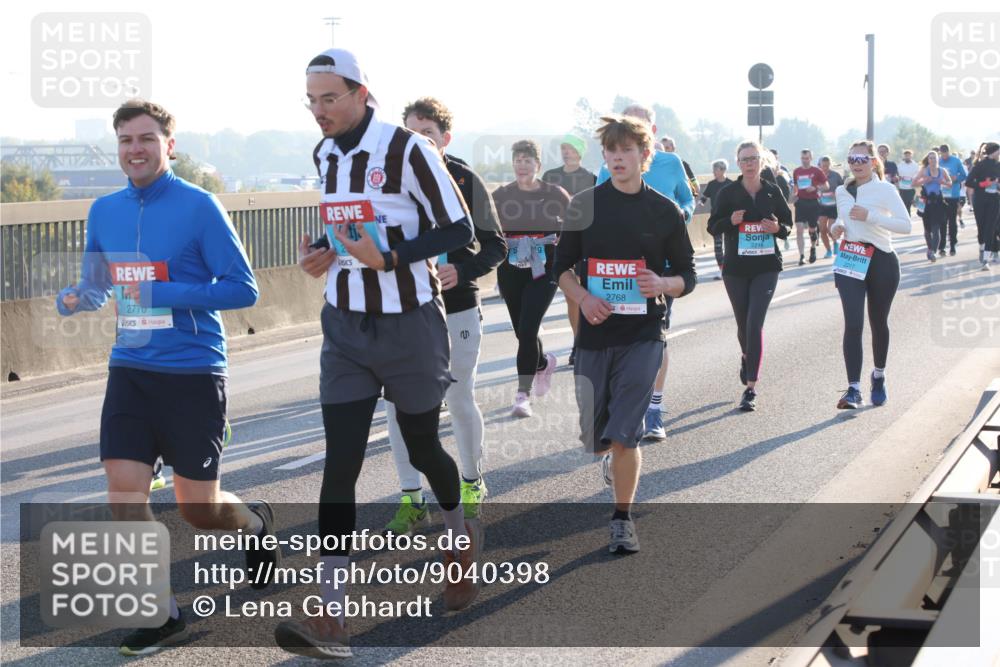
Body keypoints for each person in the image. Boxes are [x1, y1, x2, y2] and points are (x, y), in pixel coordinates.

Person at [276, 48, 481, 659]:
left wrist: (388, 259)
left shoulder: (408, 151)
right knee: (341, 461)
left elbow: (458, 231)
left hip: (410, 324)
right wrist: (319, 251)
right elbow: (345, 228)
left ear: (363, 92)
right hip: (344, 326)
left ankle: (457, 534)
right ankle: (332, 612)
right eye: (311, 100)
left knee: (421, 445)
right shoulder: (324, 153)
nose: (319, 111)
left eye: (329, 98)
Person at [55, 99, 276, 656]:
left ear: (168, 145)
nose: (136, 149)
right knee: (123, 491)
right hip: (130, 368)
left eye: (147, 139)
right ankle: (162, 614)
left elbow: (243, 288)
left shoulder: (199, 206)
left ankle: (252, 524)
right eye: (127, 140)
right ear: (118, 147)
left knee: (198, 511)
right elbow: (101, 283)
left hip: (194, 370)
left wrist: (167, 293)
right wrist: (80, 297)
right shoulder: (103, 210)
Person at [555, 114, 695, 554]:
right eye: (611, 151)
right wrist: (583, 298)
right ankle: (613, 461)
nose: (617, 158)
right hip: (595, 334)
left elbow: (688, 274)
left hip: (645, 331)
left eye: (626, 151)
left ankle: (621, 519)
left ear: (644, 156)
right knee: (597, 440)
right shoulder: (584, 205)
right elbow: (560, 269)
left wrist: (665, 285)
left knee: (625, 433)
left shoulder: (664, 210)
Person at [379, 97, 506, 535]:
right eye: (410, 134)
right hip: (404, 313)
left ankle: (471, 482)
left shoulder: (465, 178)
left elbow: (496, 246)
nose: (418, 142)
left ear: (444, 138)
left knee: (457, 397)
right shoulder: (389, 180)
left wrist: (461, 269)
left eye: (426, 134)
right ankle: (411, 497)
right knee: (397, 408)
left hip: (457, 309)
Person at [596, 103, 694, 441]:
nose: (620, 152)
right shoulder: (606, 165)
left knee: (655, 338)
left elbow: (688, 199)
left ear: (650, 132)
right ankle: (620, 412)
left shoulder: (670, 163)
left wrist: (681, 213)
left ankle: (653, 408)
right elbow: (596, 206)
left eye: (638, 125)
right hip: (616, 270)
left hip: (659, 267)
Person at [708, 141, 793, 411]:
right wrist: (729, 222)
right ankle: (747, 357)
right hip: (736, 269)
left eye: (753, 158)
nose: (749, 163)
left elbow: (787, 225)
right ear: (738, 163)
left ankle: (751, 388)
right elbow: (712, 226)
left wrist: (777, 228)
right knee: (743, 323)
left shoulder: (772, 191)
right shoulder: (728, 192)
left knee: (755, 323)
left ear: (761, 161)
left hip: (766, 267)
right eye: (744, 159)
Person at [830, 140, 911, 409]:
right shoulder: (842, 190)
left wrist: (872, 216)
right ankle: (853, 389)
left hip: (881, 260)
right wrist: (837, 227)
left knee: (878, 322)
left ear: (874, 162)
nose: (856, 163)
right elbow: (843, 218)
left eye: (862, 159)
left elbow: (905, 225)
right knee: (853, 324)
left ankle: (878, 375)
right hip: (851, 258)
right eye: (852, 159)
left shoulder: (885, 190)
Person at [493, 139, 570, 417]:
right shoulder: (501, 195)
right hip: (511, 267)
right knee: (521, 331)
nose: (522, 166)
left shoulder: (554, 193)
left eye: (527, 161)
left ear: (537, 165)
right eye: (518, 161)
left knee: (527, 329)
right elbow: (487, 231)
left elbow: (577, 224)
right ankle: (541, 363)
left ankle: (521, 395)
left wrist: (567, 248)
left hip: (544, 267)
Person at [543, 134, 598, 366]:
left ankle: (587, 341)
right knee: (572, 297)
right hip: (559, 241)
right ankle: (578, 342)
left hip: (585, 242)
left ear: (579, 152)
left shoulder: (591, 178)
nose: (566, 152)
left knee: (588, 292)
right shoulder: (550, 176)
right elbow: (541, 205)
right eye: (563, 148)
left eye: (571, 149)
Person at [964, 141, 1000, 268]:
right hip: (980, 200)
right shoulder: (979, 165)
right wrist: (982, 184)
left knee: (990, 228)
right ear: (992, 152)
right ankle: (982, 247)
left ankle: (986, 259)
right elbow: (968, 182)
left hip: (994, 200)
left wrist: (997, 185)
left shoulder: (999, 165)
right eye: (998, 151)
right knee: (982, 228)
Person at [912, 150, 952, 262]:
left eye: (934, 158)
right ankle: (930, 248)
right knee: (927, 230)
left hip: (938, 202)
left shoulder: (942, 171)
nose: (932, 160)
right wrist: (924, 180)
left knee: (936, 229)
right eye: (930, 158)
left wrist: (943, 182)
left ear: (937, 159)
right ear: (928, 160)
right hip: (926, 202)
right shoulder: (924, 171)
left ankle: (933, 252)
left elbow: (950, 183)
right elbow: (913, 183)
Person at [792, 149, 828, 265]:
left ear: (811, 158)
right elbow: (796, 186)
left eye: (807, 158)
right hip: (801, 202)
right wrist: (794, 195)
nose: (805, 161)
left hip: (813, 202)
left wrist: (815, 187)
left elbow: (826, 186)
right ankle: (801, 256)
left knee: (812, 229)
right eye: (803, 158)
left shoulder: (817, 171)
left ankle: (812, 248)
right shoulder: (796, 171)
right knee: (799, 229)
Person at [701, 159, 734, 276]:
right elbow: (704, 198)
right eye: (713, 170)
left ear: (723, 170)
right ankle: (722, 270)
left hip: (731, 219)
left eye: (716, 169)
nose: (713, 172)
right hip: (716, 219)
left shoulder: (731, 184)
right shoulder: (711, 184)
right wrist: (700, 203)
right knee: (718, 246)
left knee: (730, 244)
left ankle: (731, 268)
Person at [937, 144, 968, 256]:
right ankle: (942, 247)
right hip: (941, 195)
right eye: (942, 152)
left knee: (952, 221)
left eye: (946, 152)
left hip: (953, 195)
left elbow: (964, 175)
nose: (944, 155)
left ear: (949, 152)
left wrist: (956, 178)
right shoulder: (938, 161)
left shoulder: (956, 161)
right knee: (942, 221)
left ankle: (953, 245)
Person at [817, 156, 844, 259]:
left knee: (830, 229)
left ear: (830, 165)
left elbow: (843, 189)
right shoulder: (816, 175)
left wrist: (836, 194)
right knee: (822, 229)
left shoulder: (836, 175)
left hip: (833, 206)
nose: (825, 168)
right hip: (821, 206)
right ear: (820, 165)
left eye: (827, 166)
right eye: (823, 166)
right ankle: (828, 250)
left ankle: (835, 242)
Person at [662, 135, 700, 199]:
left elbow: (696, 187)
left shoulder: (683, 164)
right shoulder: (656, 165)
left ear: (673, 148)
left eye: (667, 148)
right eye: (662, 148)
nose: (664, 151)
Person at [896, 149, 920, 215]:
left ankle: (908, 219)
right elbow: (897, 175)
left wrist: (914, 179)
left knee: (908, 205)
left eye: (908, 155)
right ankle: (905, 219)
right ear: (904, 156)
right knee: (903, 205)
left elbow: (918, 175)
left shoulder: (915, 165)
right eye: (906, 155)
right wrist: (899, 178)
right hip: (902, 188)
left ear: (911, 156)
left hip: (911, 188)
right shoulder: (900, 165)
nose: (907, 157)